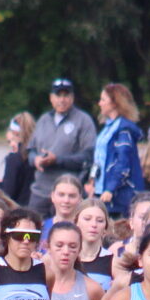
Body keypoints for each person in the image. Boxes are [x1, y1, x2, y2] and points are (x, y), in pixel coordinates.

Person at [24, 80, 96, 213]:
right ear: (51, 98)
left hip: (68, 194)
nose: (62, 100)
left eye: (66, 95)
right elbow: (31, 150)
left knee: (67, 232)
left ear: (72, 97)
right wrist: (35, 159)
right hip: (41, 191)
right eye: (58, 95)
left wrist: (58, 160)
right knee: (33, 231)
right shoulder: (44, 119)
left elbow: (88, 157)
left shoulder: (83, 121)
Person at [89, 85, 146, 217]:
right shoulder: (108, 127)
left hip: (118, 195)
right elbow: (100, 159)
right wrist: (92, 180)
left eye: (103, 100)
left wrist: (111, 188)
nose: (100, 103)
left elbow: (123, 162)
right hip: (102, 190)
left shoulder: (123, 130)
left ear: (115, 103)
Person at [0, 114, 37, 207]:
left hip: (18, 209)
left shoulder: (14, 159)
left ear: (16, 134)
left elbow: (8, 193)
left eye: (11, 141)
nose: (11, 145)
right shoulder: (39, 156)